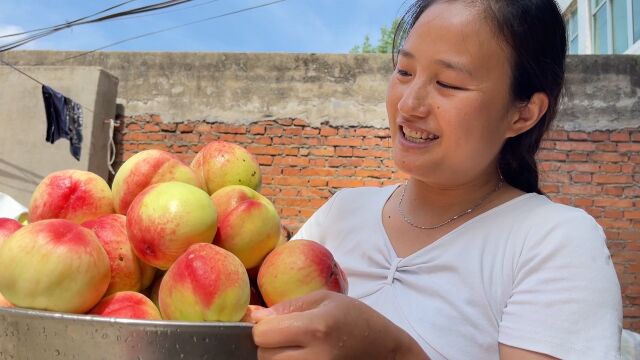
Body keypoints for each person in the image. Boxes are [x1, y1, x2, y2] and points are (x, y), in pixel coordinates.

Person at [250, 0, 623, 359]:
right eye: (404, 72)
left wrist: (395, 354)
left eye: (448, 83)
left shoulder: (554, 242)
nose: (409, 104)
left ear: (523, 113)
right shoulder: (341, 212)